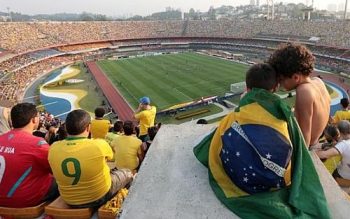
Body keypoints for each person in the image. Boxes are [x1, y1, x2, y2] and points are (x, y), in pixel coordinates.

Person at [193, 63, 330, 218]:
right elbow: (300, 152)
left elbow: (217, 139)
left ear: (247, 87)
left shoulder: (235, 116)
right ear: (275, 88)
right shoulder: (286, 117)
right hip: (275, 183)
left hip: (239, 179)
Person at [48, 109, 132, 208]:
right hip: (99, 196)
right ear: (88, 128)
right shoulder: (99, 145)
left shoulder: (53, 148)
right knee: (128, 173)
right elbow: (111, 157)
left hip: (69, 200)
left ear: (66, 127)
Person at [268, 43, 331, 147]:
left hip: (309, 148)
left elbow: (303, 141)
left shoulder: (304, 91)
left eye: (281, 79)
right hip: (316, 142)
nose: (280, 83)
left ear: (296, 77)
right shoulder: (318, 82)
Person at [0, 103, 58, 207]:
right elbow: (56, 169)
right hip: (22, 200)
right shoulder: (37, 144)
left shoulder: (1, 138)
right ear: (34, 120)